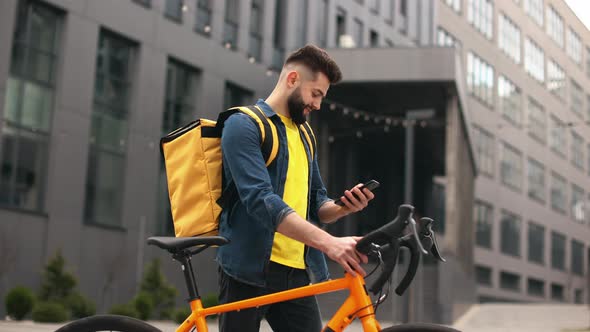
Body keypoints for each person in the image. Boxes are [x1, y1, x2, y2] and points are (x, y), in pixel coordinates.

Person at [216, 44, 375, 332]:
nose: (317, 105)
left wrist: (342, 207)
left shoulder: (305, 134)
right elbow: (260, 200)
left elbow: (318, 204)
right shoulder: (243, 125)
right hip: (248, 270)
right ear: (292, 80)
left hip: (297, 269)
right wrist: (329, 243)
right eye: (316, 94)